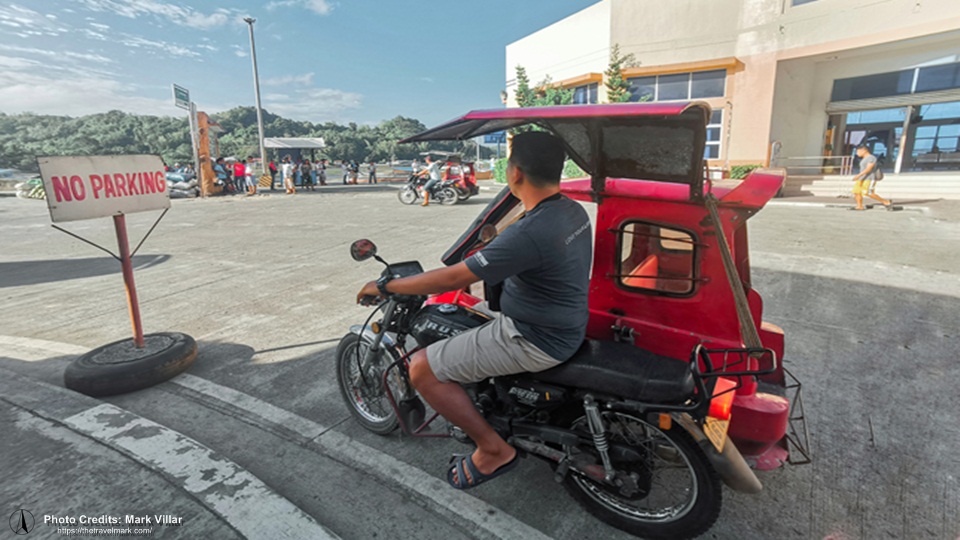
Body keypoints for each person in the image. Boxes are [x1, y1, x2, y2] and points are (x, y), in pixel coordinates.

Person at [356, 132, 592, 489]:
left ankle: (492, 449)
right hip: (564, 320)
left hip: (532, 335)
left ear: (515, 173)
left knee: (422, 369)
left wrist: (385, 286)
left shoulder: (530, 231)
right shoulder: (570, 211)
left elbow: (451, 276)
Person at [851, 144, 892, 211]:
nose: (857, 153)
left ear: (864, 150)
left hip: (869, 178)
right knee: (856, 191)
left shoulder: (871, 158)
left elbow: (868, 169)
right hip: (862, 178)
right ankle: (859, 206)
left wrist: (858, 175)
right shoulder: (864, 159)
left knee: (868, 193)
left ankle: (886, 202)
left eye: (858, 151)